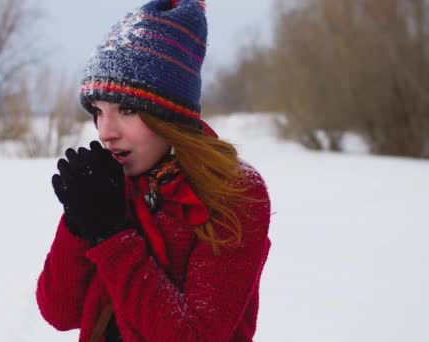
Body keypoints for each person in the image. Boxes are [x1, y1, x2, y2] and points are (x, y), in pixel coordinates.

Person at [35, 0, 271, 341]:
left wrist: (113, 238)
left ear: (171, 114)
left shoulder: (234, 192)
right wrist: (78, 220)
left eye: (127, 109)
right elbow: (60, 312)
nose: (105, 132)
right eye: (97, 112)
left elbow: (193, 335)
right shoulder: (114, 183)